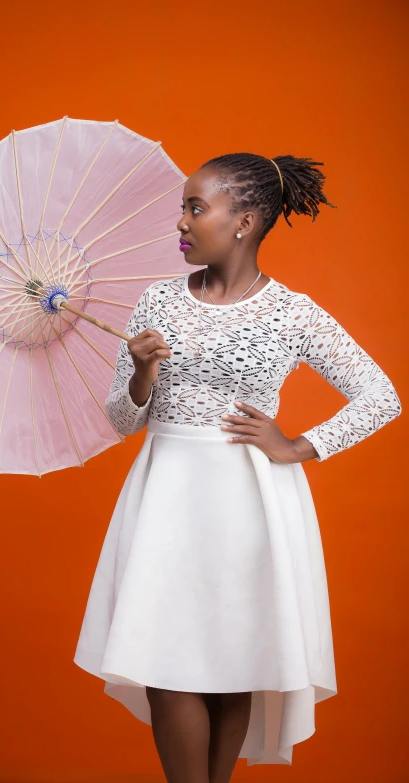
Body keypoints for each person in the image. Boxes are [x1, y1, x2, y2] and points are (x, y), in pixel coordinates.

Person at [73, 153, 402, 782]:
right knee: (164, 663)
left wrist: (297, 446)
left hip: (250, 501)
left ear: (245, 220)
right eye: (184, 206)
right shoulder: (158, 302)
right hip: (167, 495)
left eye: (196, 207)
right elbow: (122, 420)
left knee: (235, 661)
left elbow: (381, 396)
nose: (183, 221)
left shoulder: (293, 312)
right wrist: (142, 373)